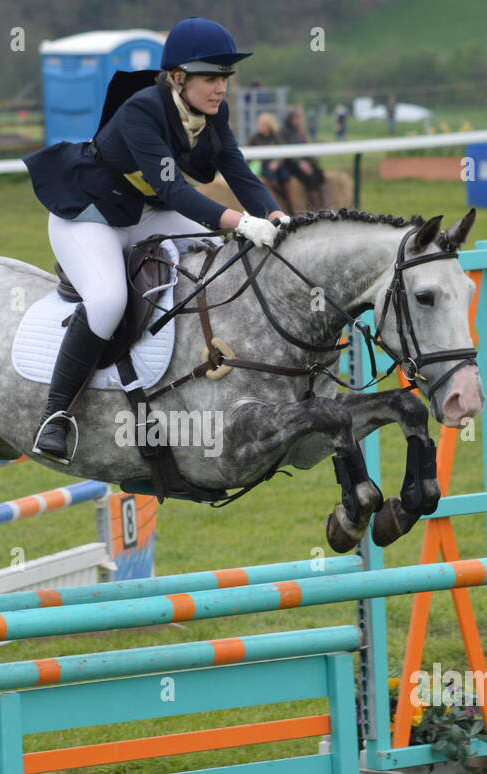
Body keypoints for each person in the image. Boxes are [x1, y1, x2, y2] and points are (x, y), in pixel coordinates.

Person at [21, 16, 289, 464]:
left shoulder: (213, 112)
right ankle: (56, 414)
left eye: (225, 77)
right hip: (90, 213)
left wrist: (278, 216)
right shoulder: (142, 109)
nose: (221, 88)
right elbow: (175, 191)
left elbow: (239, 171)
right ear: (179, 77)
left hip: (145, 211)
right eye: (210, 78)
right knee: (107, 301)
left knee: (217, 258)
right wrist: (243, 223)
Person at [280, 104, 327, 209]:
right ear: (292, 118)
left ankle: (323, 204)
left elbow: (304, 147)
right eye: (298, 117)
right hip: (290, 163)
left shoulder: (299, 131)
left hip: (301, 161)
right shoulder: (283, 131)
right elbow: (286, 151)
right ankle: (313, 207)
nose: (300, 120)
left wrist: (311, 159)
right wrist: (300, 163)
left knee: (318, 172)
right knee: (309, 176)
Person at [247, 111, 290, 209]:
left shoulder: (276, 135)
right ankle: (277, 205)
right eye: (259, 124)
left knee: (285, 177)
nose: (260, 126)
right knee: (271, 180)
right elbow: (247, 152)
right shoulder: (255, 137)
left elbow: (283, 152)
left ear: (269, 125)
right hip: (264, 165)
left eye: (262, 124)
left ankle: (289, 205)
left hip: (277, 165)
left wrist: (277, 162)